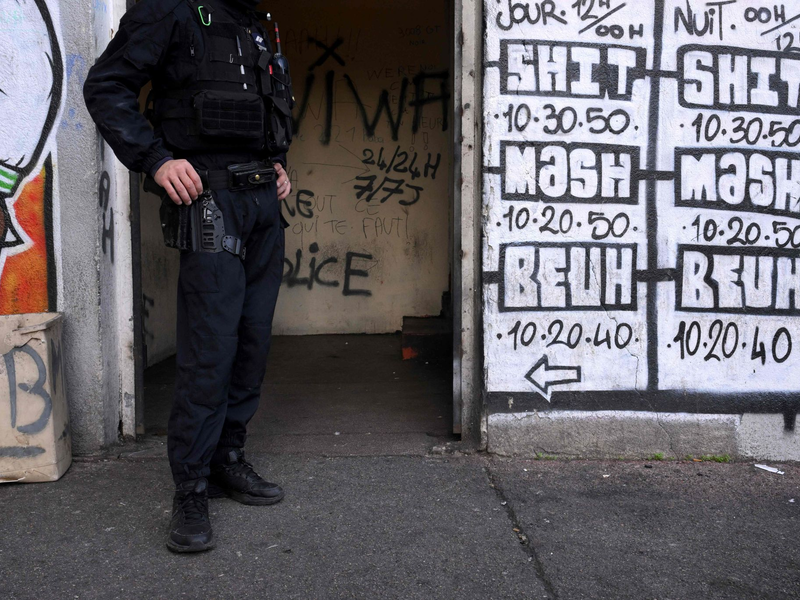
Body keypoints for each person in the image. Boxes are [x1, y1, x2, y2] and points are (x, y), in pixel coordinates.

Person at [84, 0, 294, 553]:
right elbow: (106, 86)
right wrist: (154, 159)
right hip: (210, 201)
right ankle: (191, 489)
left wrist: (277, 163)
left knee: (251, 340)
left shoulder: (255, 20)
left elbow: (263, 107)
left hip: (262, 203)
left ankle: (227, 458)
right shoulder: (171, 9)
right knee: (210, 347)